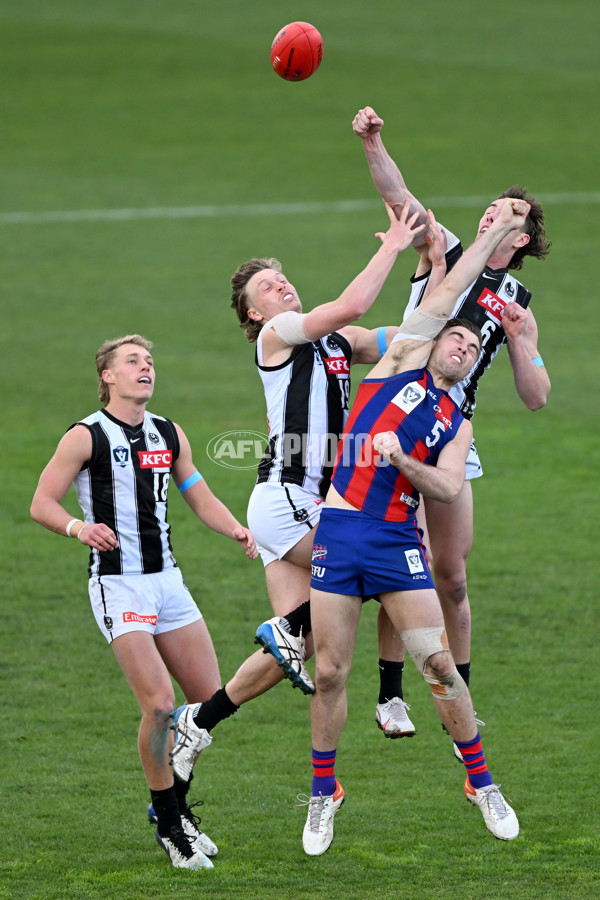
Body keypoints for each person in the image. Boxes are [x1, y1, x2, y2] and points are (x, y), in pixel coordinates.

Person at [168, 201, 437, 786]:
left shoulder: (339, 339)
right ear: (253, 311)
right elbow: (353, 304)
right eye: (266, 285)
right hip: (287, 499)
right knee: (387, 559)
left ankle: (200, 720)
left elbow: (409, 338)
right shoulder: (276, 335)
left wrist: (436, 273)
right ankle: (389, 695)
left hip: (318, 502)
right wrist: (393, 244)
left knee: (309, 646)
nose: (279, 284)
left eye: (280, 275)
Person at [300, 198, 530, 857]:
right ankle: (324, 794)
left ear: (470, 363)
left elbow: (450, 486)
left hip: (397, 543)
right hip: (341, 536)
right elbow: (454, 286)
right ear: (434, 340)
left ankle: (481, 783)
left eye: (470, 342)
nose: (461, 342)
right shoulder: (396, 362)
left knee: (436, 663)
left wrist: (404, 461)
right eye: (453, 335)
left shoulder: (456, 424)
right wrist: (493, 237)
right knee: (331, 672)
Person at [351, 107, 551, 733]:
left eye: (505, 214)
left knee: (452, 577)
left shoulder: (518, 301)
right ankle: (389, 693)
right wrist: (374, 142)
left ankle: (461, 694)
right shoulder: (450, 251)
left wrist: (520, 342)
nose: (491, 214)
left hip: (451, 431)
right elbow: (400, 197)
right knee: (399, 553)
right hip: (394, 413)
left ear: (520, 239)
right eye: (491, 208)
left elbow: (538, 395)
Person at [30, 334, 257, 871]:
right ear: (108, 375)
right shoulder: (85, 436)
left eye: (150, 361)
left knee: (205, 703)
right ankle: (172, 825)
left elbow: (197, 492)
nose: (145, 367)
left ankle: (171, 807)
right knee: (158, 705)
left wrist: (236, 531)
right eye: (133, 361)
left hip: (168, 582)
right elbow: (41, 501)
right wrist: (77, 527)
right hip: (119, 584)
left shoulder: (168, 433)